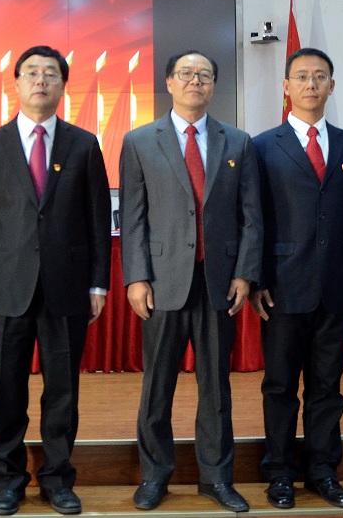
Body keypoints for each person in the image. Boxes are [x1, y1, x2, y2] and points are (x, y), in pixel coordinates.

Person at [0, 45, 111, 516]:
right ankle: (9, 479)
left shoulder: (83, 144)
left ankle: (57, 479)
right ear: (16, 83)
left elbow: (97, 220)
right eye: (31, 73)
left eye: (51, 73)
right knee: (7, 391)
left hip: (66, 287)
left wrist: (98, 284)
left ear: (63, 85)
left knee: (62, 391)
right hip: (8, 285)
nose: (41, 80)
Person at [118, 50, 261, 514]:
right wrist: (136, 277)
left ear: (214, 85)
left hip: (219, 282)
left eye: (204, 75)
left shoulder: (238, 142)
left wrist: (244, 272)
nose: (195, 81)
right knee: (157, 388)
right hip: (162, 282)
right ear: (169, 82)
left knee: (216, 388)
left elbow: (251, 217)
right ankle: (154, 476)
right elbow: (133, 218)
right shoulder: (140, 141)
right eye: (186, 74)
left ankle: (216, 478)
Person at [250, 47, 343, 510]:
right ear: (286, 86)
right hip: (282, 286)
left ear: (332, 86)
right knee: (280, 387)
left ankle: (323, 471)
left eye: (320, 76)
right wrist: (256, 279)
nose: (311, 84)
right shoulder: (263, 146)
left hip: (338, 286)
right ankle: (280, 473)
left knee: (327, 387)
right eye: (301, 76)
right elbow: (255, 219)